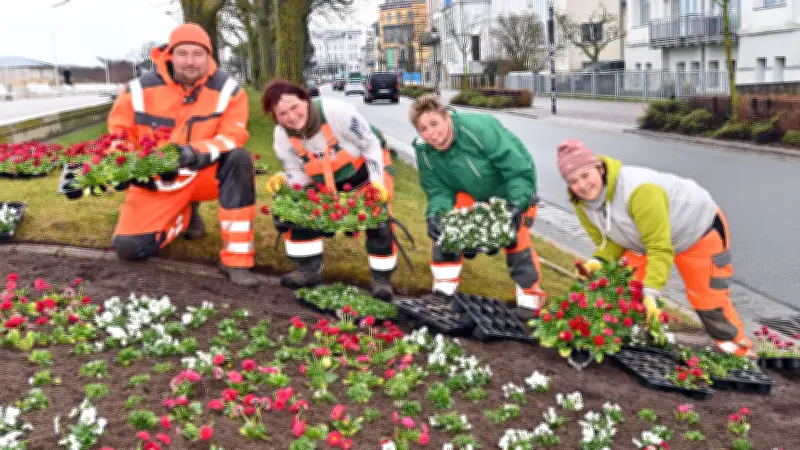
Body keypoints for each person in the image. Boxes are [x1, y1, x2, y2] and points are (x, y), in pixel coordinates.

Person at [557, 139, 754, 357]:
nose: (582, 185)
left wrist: (651, 293)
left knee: (708, 300)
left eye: (586, 175)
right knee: (628, 290)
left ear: (600, 169)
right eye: (573, 181)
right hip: (644, 238)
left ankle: (739, 352)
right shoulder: (582, 203)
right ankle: (639, 339)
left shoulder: (639, 191)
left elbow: (659, 248)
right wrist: (599, 260)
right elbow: (611, 241)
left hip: (697, 231)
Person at [107, 23, 258, 287]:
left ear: (209, 56)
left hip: (204, 174)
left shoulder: (229, 90)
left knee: (239, 159)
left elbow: (232, 136)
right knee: (130, 249)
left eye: (198, 54)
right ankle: (185, 215)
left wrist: (193, 153)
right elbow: (119, 136)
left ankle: (237, 260)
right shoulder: (137, 90)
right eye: (183, 53)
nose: (190, 61)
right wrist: (124, 168)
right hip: (157, 181)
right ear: (170, 55)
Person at [409, 94, 546, 320]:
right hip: (471, 196)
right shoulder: (424, 151)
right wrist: (434, 215)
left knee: (516, 239)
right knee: (446, 227)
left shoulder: (480, 129)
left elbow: (519, 170)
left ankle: (530, 303)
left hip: (509, 193)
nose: (431, 133)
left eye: (434, 123)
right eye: (423, 128)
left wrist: (517, 204)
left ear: (446, 116)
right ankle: (443, 293)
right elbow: (439, 190)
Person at [262, 79, 397, 300]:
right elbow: (297, 172)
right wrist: (285, 182)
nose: (291, 116)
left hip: (366, 171)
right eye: (282, 113)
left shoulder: (337, 111)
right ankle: (309, 269)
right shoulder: (281, 135)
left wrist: (377, 183)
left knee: (378, 218)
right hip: (326, 181)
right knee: (296, 205)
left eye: (294, 107)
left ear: (306, 100)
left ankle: (381, 279)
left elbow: (370, 145)